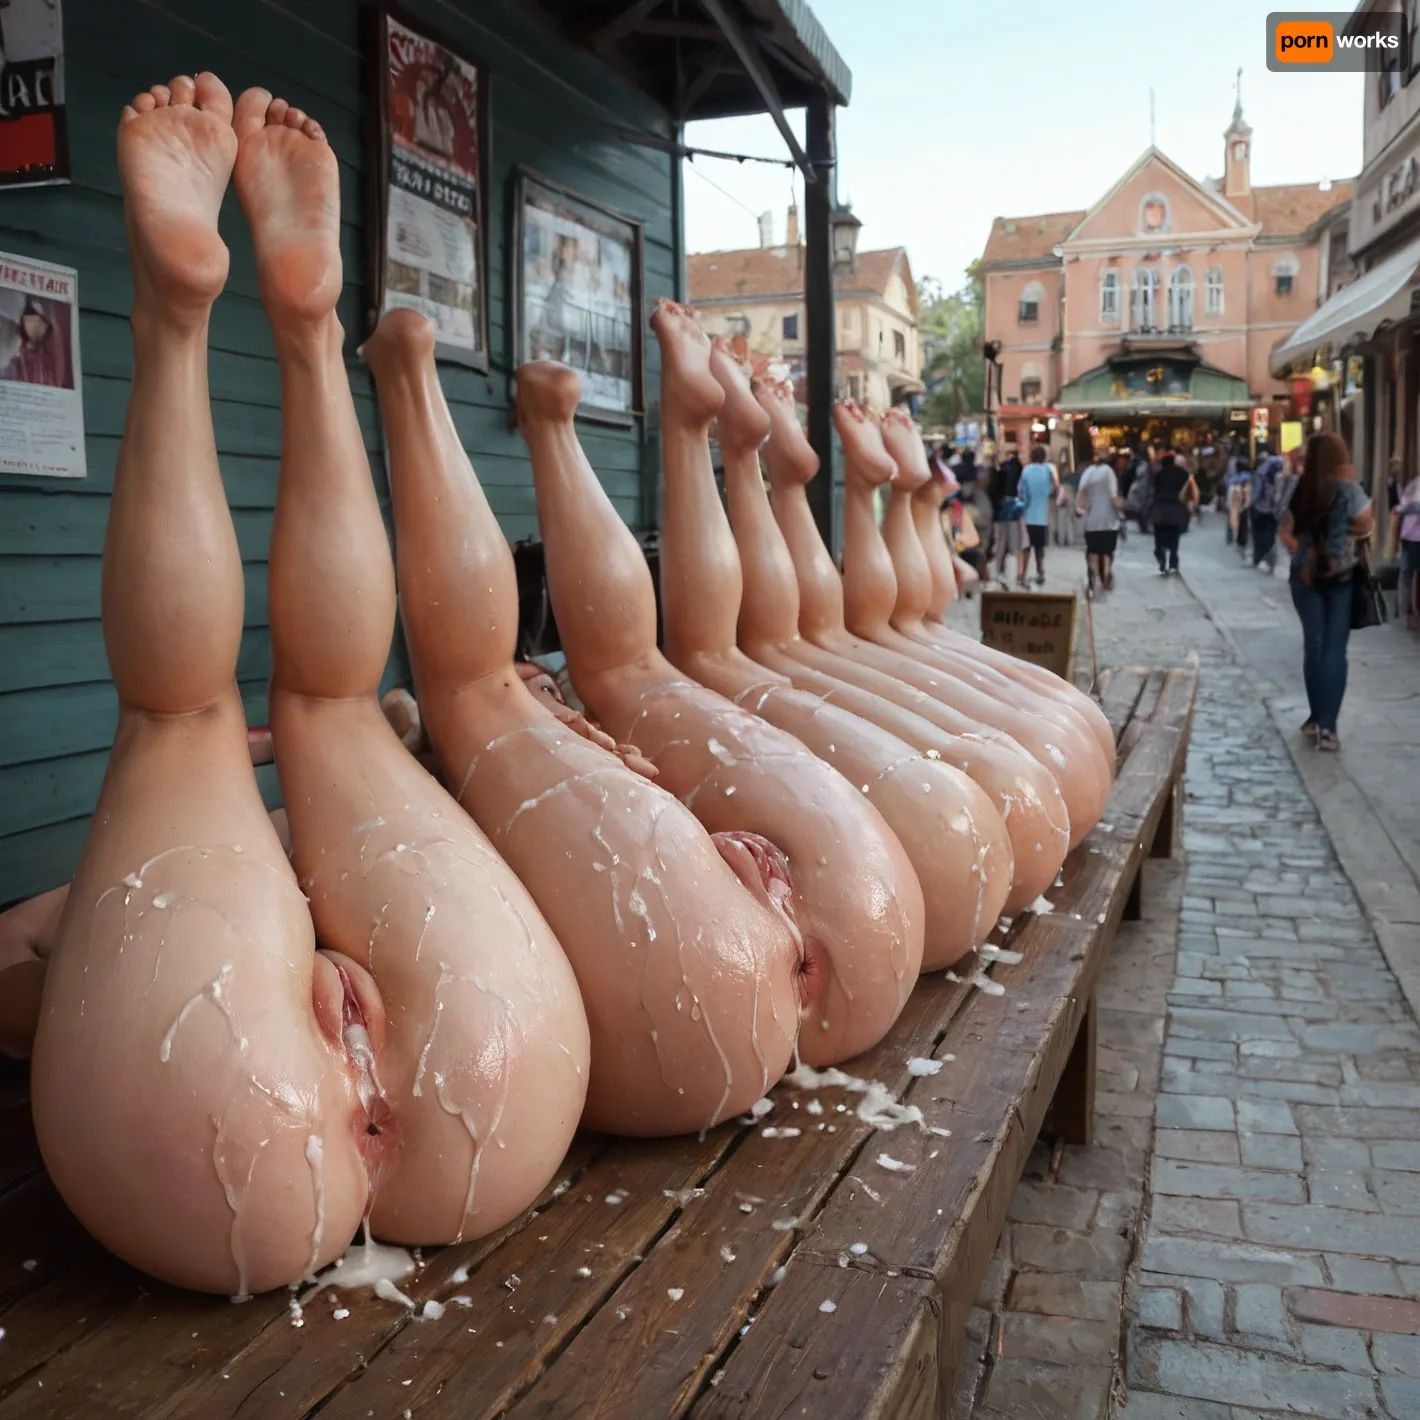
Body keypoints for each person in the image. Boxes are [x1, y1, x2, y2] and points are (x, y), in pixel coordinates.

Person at [1279, 432, 1374, 752]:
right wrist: (1343, 531)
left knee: (1314, 646)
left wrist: (1302, 551)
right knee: (1335, 650)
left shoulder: (1297, 487)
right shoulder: (1348, 489)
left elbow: (1285, 529)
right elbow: (1366, 523)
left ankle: (1314, 718)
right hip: (1341, 575)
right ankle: (1328, 728)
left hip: (1304, 579)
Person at [1075, 450, 1122, 593]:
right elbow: (1114, 497)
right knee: (1107, 552)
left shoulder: (1087, 473)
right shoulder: (1108, 472)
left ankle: (1095, 577)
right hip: (1108, 520)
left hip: (1091, 519)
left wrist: (1079, 509)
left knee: (1093, 551)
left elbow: (1081, 494)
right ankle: (1105, 579)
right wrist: (1123, 508)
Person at [1150, 450, 1198, 576]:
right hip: (1176, 509)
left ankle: (1160, 555)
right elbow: (1189, 490)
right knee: (1174, 538)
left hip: (1160, 509)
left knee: (1159, 536)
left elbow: (1152, 490)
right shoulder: (1182, 474)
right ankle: (1173, 561)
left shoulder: (1157, 474)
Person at [1017, 443, 1057, 587]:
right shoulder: (1048, 470)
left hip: (1027, 515)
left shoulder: (1026, 471)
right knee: (1039, 549)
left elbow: (1021, 492)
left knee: (1025, 547)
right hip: (1042, 516)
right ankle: (1040, 572)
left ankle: (1022, 575)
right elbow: (1053, 491)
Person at [988, 446, 1024, 583]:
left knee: (1000, 542)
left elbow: (993, 490)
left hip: (999, 511)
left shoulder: (998, 472)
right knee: (1014, 543)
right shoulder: (1018, 468)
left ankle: (998, 571)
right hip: (1013, 509)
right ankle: (1013, 574)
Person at [1250, 441, 1286, 572]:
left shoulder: (1261, 470)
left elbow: (1257, 491)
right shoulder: (1281, 466)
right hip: (1274, 509)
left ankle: (1259, 557)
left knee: (1259, 534)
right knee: (1271, 534)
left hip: (1260, 508)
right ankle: (1270, 559)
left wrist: (1252, 503)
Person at [1393, 468, 1420, 630]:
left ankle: (1406, 610)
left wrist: (1400, 509)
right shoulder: (1414, 484)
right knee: (1406, 574)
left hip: (1409, 536)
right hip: (1410, 537)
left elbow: (1405, 505)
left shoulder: (1412, 484)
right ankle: (1407, 611)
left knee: (1407, 575)